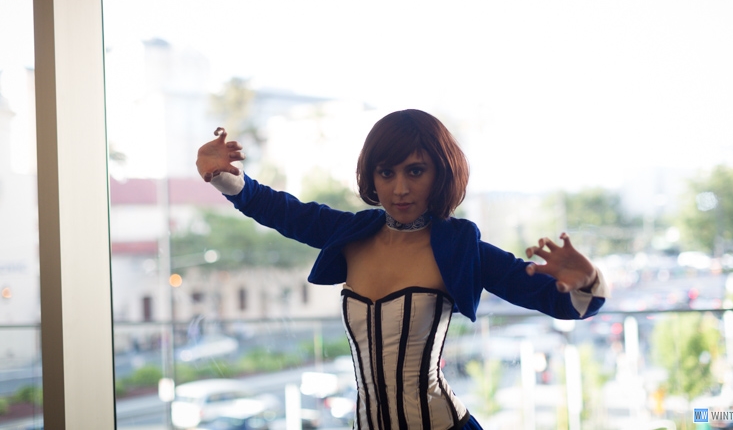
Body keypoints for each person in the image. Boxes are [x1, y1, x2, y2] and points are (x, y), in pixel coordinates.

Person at [196, 109, 607, 430]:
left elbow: (563, 304)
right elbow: (283, 211)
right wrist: (225, 177)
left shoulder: (459, 246)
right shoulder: (351, 233)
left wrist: (587, 282)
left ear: (440, 173)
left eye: (415, 170)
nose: (400, 188)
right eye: (386, 172)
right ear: (372, 177)